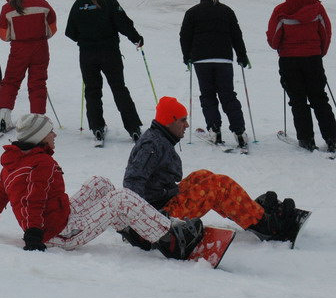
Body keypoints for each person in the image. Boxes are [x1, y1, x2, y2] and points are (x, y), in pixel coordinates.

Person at [0, 113, 204, 259]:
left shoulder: (14, 163)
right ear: (39, 137)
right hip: (59, 234)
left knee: (100, 183)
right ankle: (172, 241)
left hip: (58, 218)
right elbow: (33, 200)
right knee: (120, 199)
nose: (55, 135)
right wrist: (33, 235)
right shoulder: (40, 163)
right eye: (50, 132)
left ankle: (139, 232)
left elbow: (0, 196)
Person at [123, 96, 299, 244]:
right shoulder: (151, 146)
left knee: (203, 175)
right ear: (169, 121)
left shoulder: (159, 138)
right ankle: (267, 226)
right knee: (217, 185)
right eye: (182, 120)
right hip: (159, 218)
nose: (187, 125)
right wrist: (142, 225)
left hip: (163, 203)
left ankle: (251, 212)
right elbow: (132, 182)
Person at [66, 0, 144, 144]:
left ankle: (97, 127)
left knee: (92, 90)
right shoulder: (108, 0)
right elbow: (123, 22)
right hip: (109, 52)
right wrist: (136, 38)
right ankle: (133, 128)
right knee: (119, 88)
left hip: (87, 54)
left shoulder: (79, 4)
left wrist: (85, 39)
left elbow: (70, 31)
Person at [267, 0, 335, 152]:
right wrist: (320, 52)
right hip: (313, 59)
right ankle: (332, 138)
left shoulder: (280, 10)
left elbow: (274, 40)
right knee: (319, 99)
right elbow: (326, 33)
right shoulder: (316, 8)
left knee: (298, 101)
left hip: (289, 61)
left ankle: (306, 139)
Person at [180, 0, 250, 148]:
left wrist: (187, 56)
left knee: (208, 95)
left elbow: (184, 36)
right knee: (228, 95)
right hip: (223, 59)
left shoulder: (192, 12)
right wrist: (242, 55)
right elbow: (236, 35)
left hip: (201, 60)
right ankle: (239, 131)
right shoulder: (227, 11)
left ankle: (214, 130)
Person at [0, 0, 56, 132]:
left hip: (18, 48)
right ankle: (38, 119)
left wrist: (12, 36)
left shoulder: (8, 7)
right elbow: (52, 26)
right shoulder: (42, 4)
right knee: (38, 82)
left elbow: (1, 31)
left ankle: (4, 116)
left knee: (11, 80)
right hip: (40, 47)